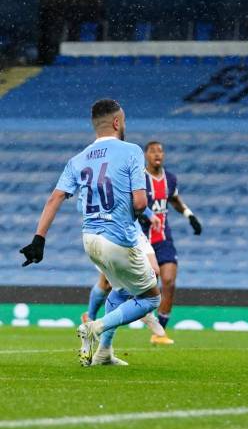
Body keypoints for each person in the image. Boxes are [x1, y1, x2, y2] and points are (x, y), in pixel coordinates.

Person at [20, 99, 161, 366]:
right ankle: (94, 327)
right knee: (151, 298)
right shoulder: (131, 151)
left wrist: (38, 239)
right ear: (117, 122)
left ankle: (104, 352)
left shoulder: (78, 159)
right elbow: (141, 203)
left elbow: (55, 198)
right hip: (117, 238)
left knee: (119, 290)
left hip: (90, 240)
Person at [82, 215, 175, 345]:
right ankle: (91, 321)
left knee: (153, 271)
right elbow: (139, 202)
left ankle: (142, 309)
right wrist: (149, 213)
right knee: (109, 284)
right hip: (109, 231)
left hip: (131, 229)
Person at [141, 140, 202, 330]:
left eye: (160, 151)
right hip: (142, 240)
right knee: (148, 285)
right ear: (146, 155)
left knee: (168, 281)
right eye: (153, 151)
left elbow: (174, 199)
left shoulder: (170, 179)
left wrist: (189, 215)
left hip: (163, 239)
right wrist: (146, 215)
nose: (157, 154)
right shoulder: (139, 179)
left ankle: (161, 329)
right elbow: (133, 204)